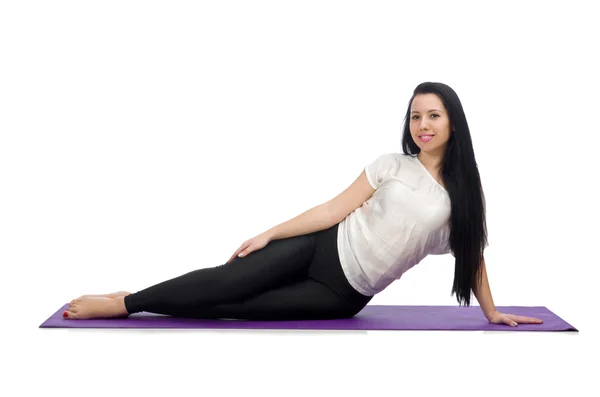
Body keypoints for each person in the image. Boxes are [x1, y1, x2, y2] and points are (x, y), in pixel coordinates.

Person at [65, 82, 543, 327]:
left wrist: (492, 313)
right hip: (318, 247)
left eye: (433, 116)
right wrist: (272, 232)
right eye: (416, 115)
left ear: (453, 124)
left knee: (238, 309)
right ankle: (126, 303)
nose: (423, 124)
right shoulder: (391, 165)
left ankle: (141, 299)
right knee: (228, 278)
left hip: (343, 295)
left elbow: (472, 255)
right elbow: (334, 209)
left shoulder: (464, 197)